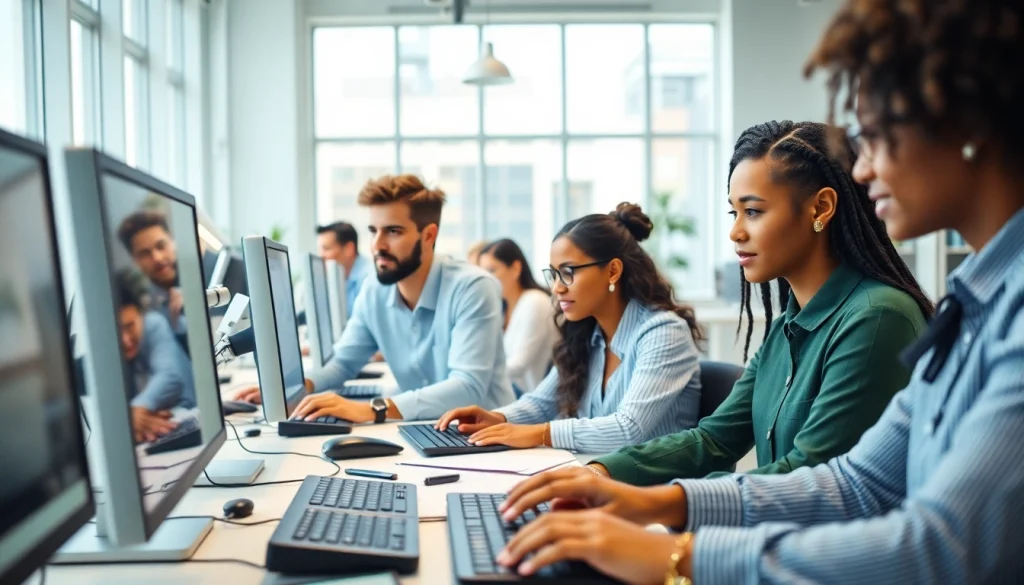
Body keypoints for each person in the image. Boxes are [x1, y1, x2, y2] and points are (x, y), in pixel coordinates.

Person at [493, 1, 1024, 582]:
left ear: (965, 124)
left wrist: (676, 555)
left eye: (876, 137)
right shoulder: (967, 304)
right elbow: (857, 481)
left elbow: (938, 548)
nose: (865, 170)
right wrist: (643, 495)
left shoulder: (892, 315)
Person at [587, 120, 932, 486]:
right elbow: (713, 440)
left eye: (753, 211)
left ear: (821, 208)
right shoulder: (789, 325)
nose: (736, 231)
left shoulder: (877, 318)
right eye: (733, 212)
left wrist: (653, 502)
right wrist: (599, 472)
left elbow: (806, 475)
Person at [235, 174, 515, 422]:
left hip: (485, 439)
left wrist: (374, 408)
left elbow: (467, 387)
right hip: (423, 430)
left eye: (393, 231)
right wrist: (297, 386)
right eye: (373, 231)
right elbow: (343, 362)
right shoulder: (375, 290)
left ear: (429, 235)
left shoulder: (473, 288)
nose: (377, 245)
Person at [436, 204, 703, 453]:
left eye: (569, 272)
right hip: (595, 477)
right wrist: (498, 417)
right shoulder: (588, 333)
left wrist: (541, 434)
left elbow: (628, 428)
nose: (557, 287)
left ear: (612, 271)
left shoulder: (664, 332)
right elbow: (542, 402)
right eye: (554, 274)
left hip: (654, 492)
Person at [116, 272, 196, 443]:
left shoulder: (153, 323)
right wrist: (132, 418)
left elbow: (170, 377)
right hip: (154, 428)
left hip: (188, 413)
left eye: (129, 326)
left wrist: (135, 410)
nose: (125, 340)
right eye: (115, 332)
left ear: (141, 315)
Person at [477, 239, 557, 395]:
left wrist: (478, 374)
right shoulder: (501, 308)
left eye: (492, 270)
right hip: (511, 392)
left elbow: (519, 365)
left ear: (515, 268)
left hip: (534, 397)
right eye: (482, 273)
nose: (486, 279)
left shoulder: (535, 301)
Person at [117, 210, 185, 335]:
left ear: (172, 240)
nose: (157, 258)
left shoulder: (206, 276)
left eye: (161, 246)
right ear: (134, 259)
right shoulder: (145, 313)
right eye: (144, 253)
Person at [317, 221, 370, 312]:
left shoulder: (368, 278)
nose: (321, 255)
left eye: (326, 249)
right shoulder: (341, 277)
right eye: (320, 250)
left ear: (349, 249)